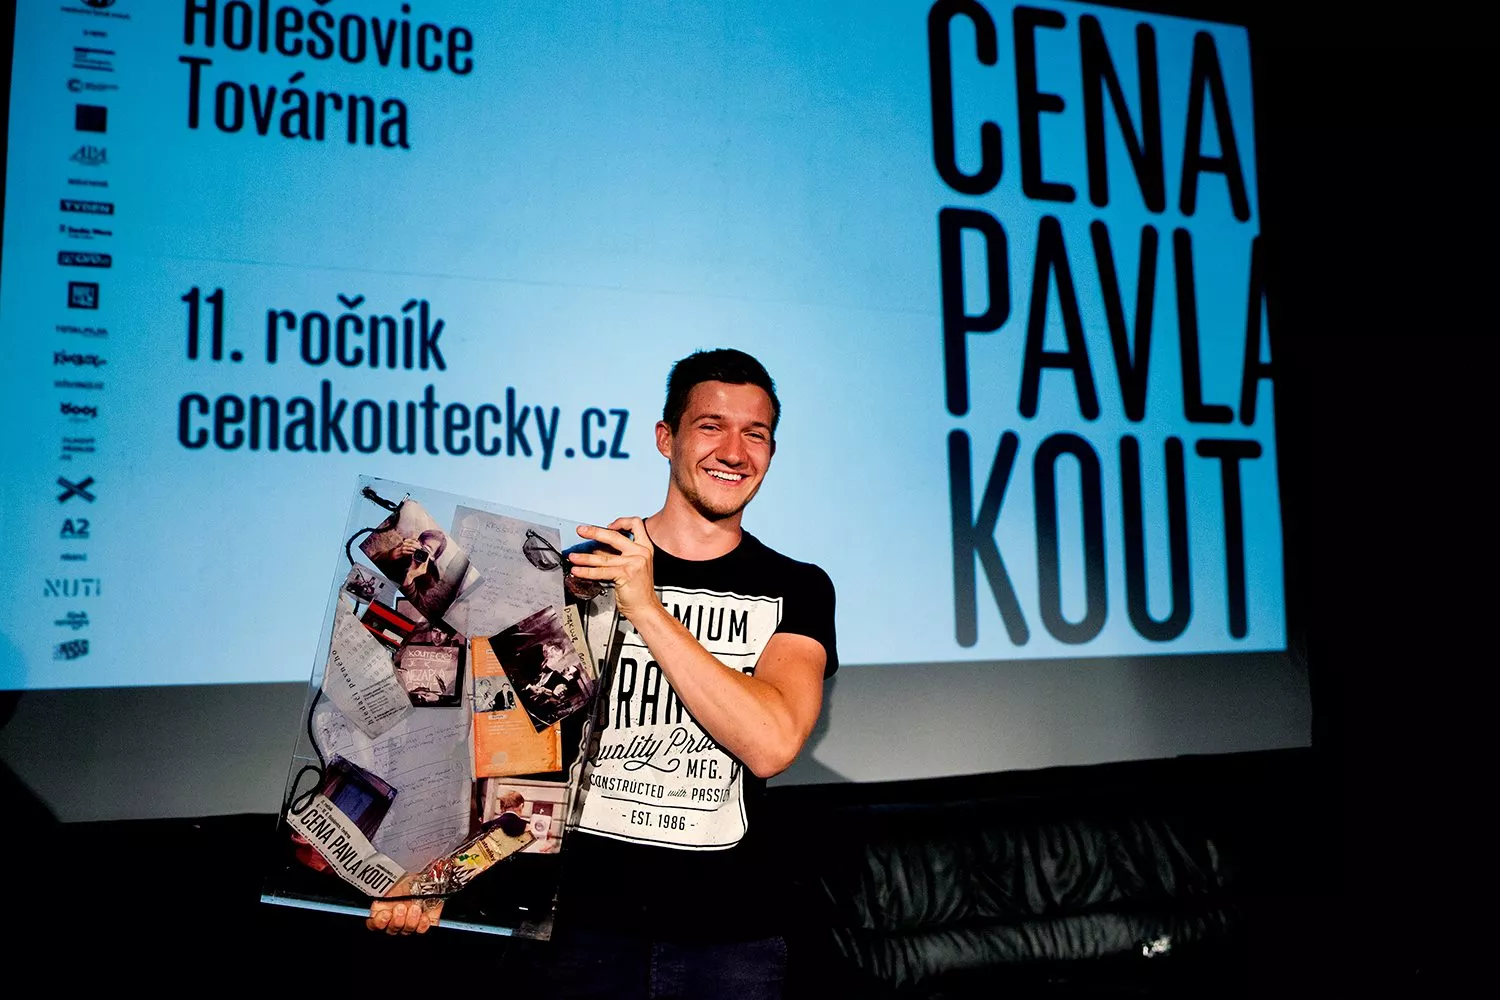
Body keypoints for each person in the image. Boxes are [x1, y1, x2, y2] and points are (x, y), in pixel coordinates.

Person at [368, 349, 837, 999]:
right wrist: (433, 869)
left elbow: (772, 743)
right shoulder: (570, 575)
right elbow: (502, 746)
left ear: (771, 452)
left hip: (728, 941)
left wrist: (646, 607)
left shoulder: (797, 587)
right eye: (711, 426)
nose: (734, 451)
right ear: (666, 438)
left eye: (754, 434)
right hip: (573, 932)